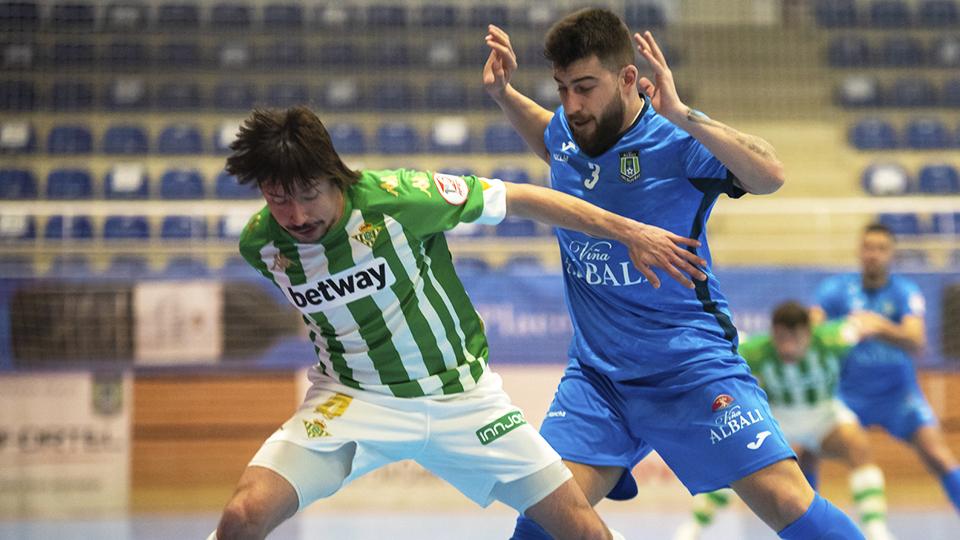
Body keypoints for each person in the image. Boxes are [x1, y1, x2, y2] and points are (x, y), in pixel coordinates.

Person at [207, 105, 711, 540]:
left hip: (463, 399)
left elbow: (520, 197)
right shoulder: (262, 244)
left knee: (581, 530)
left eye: (307, 194)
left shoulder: (401, 199)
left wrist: (629, 232)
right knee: (241, 516)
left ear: (334, 174)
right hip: (354, 400)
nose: (295, 215)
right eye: (278, 199)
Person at [482, 7, 864, 539]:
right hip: (600, 379)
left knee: (785, 500)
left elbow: (771, 174)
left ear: (629, 78)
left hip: (690, 367)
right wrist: (504, 94)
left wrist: (684, 115)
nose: (572, 105)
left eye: (585, 87)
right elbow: (552, 140)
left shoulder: (675, 144)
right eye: (562, 88)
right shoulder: (569, 132)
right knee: (544, 521)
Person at [674, 301, 895, 540]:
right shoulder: (757, 349)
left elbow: (864, 323)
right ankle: (692, 530)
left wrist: (874, 322)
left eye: (795, 338)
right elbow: (718, 350)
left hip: (823, 415)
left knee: (857, 445)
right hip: (779, 418)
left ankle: (876, 530)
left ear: (809, 333)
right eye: (781, 338)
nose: (787, 347)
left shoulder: (833, 339)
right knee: (738, 464)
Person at [812, 222, 960, 515]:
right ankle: (803, 525)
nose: (873, 254)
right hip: (847, 395)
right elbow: (812, 332)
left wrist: (877, 326)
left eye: (880, 249)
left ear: (891, 254)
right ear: (859, 251)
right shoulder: (835, 289)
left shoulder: (905, 292)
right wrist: (845, 328)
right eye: (868, 247)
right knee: (805, 450)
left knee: (938, 455)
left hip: (898, 395)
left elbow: (916, 339)